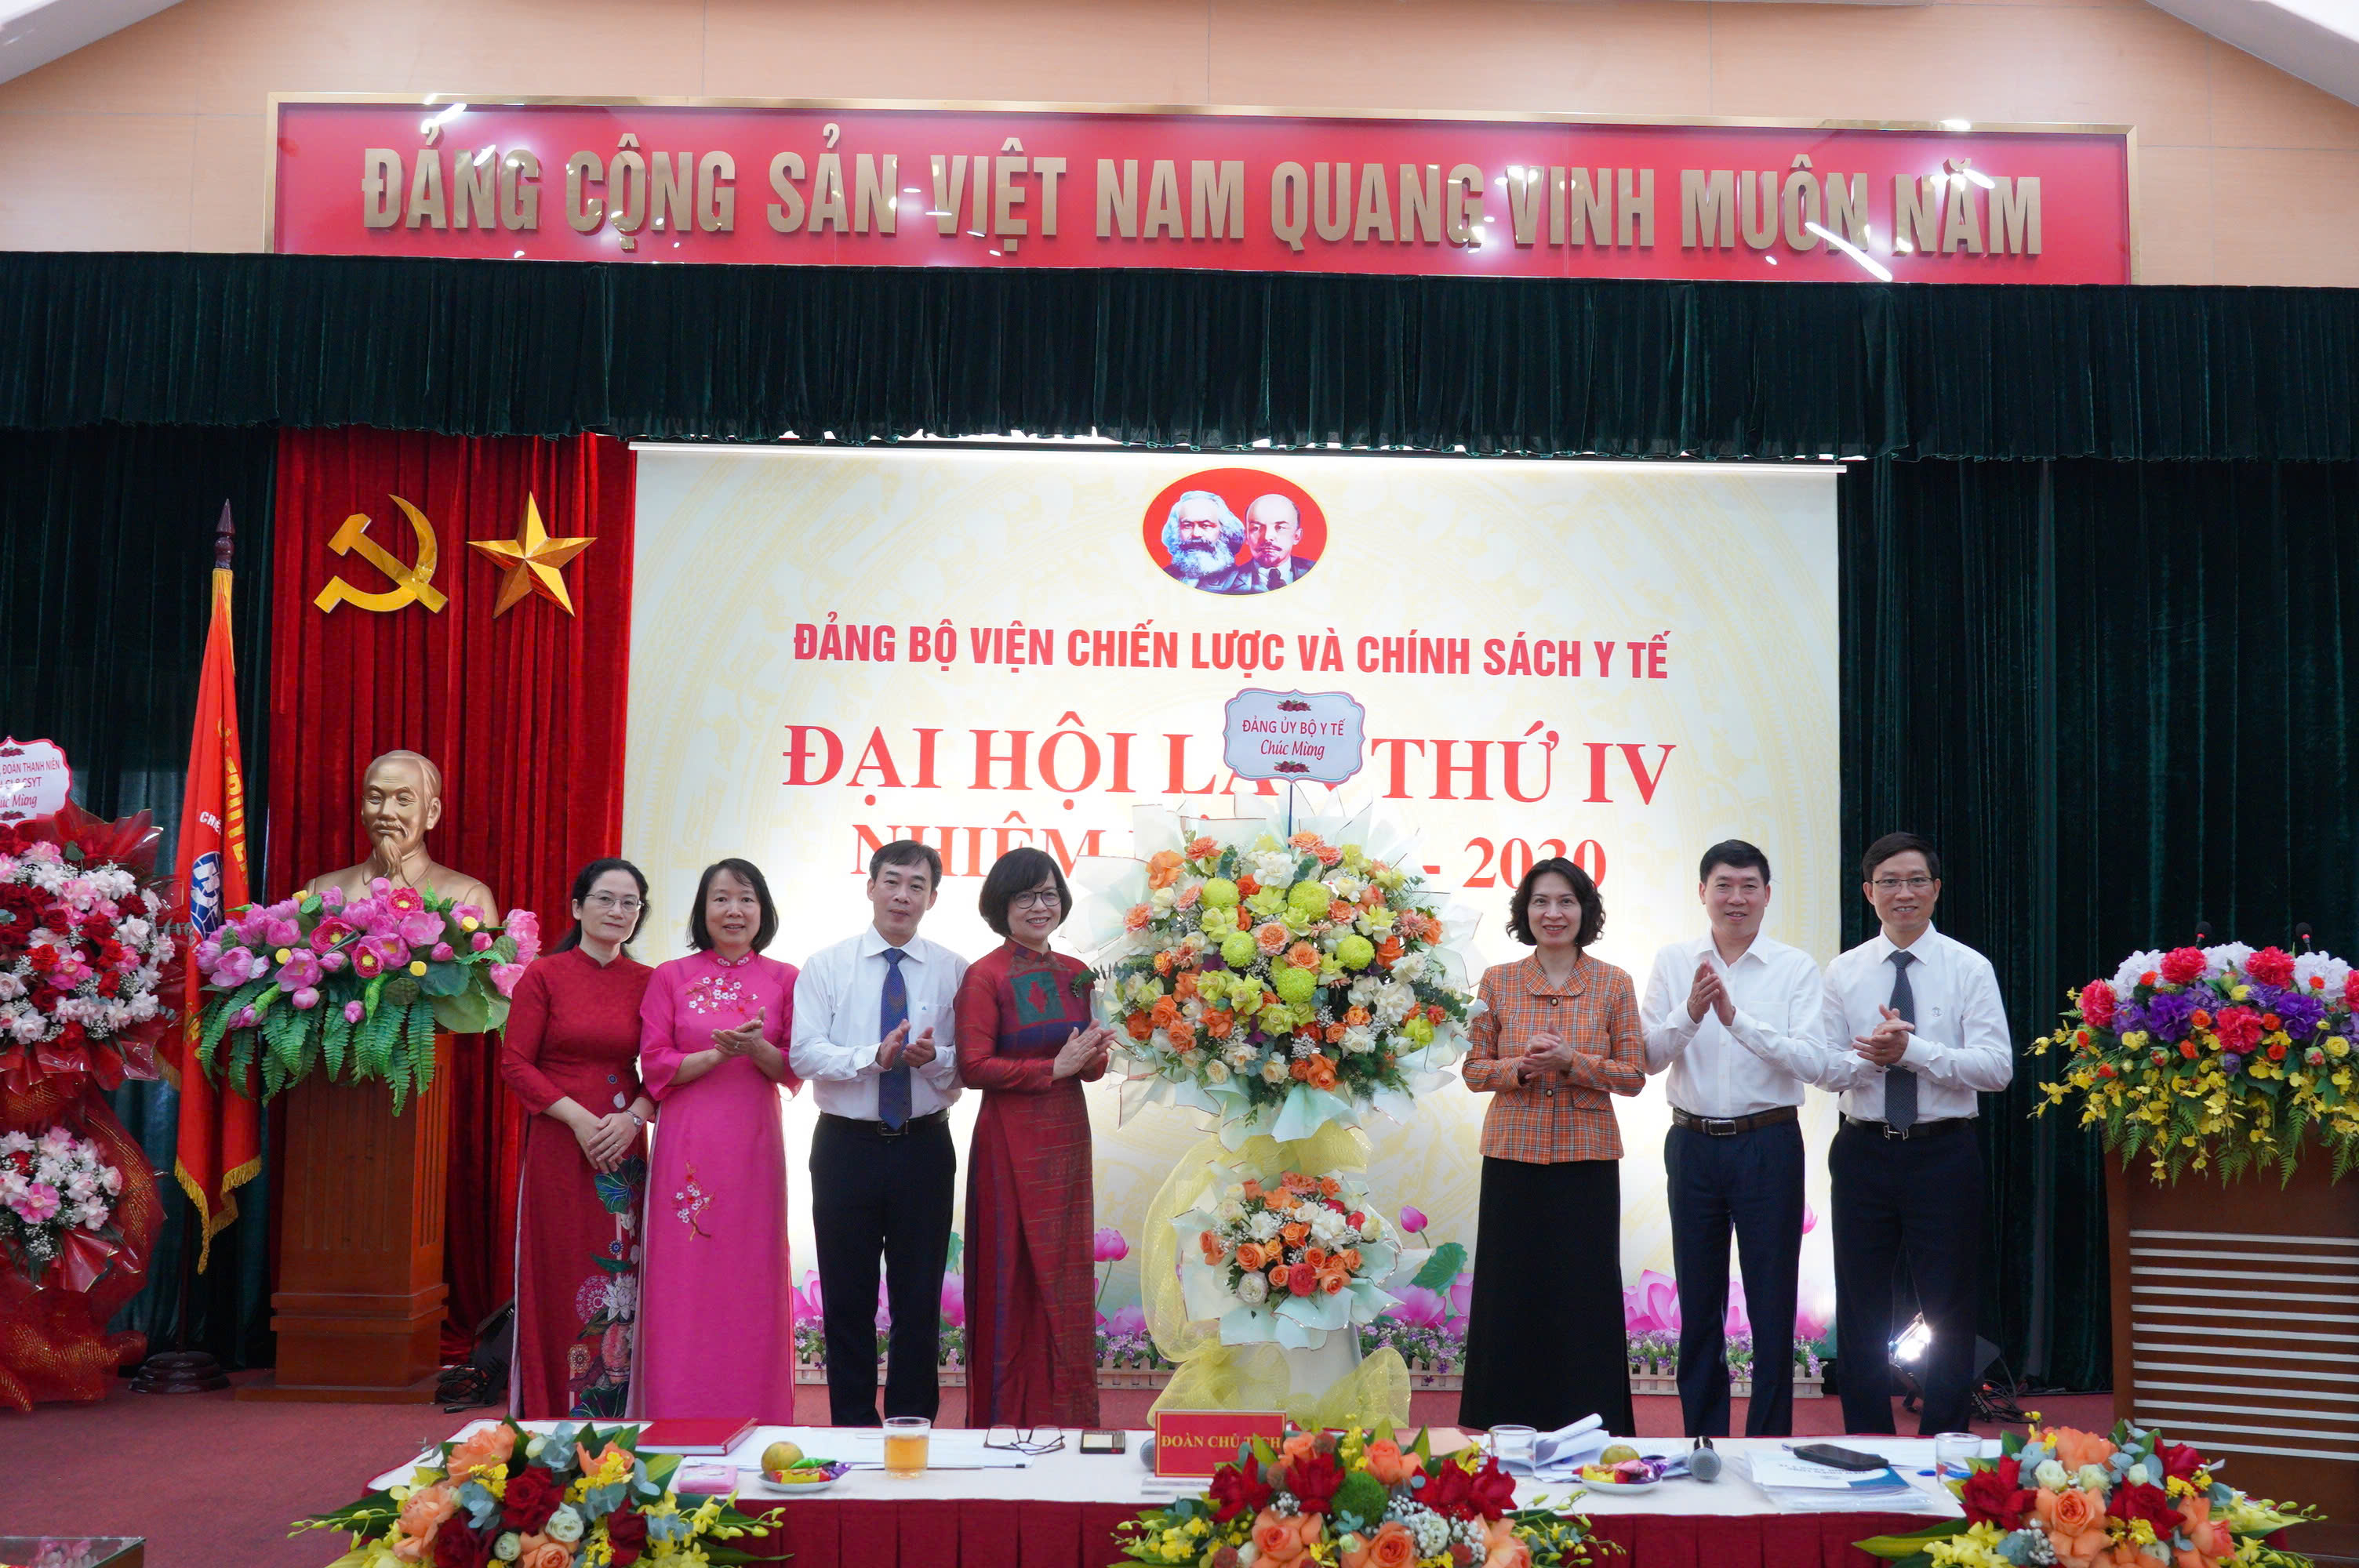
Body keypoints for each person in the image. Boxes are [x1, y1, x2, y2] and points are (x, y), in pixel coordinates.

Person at [1819, 832, 2012, 1436]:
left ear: (1936, 889)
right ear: (1868, 892)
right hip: (1862, 1149)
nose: (1903, 893)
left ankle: (1943, 1442)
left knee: (1949, 1305)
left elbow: (1997, 1069)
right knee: (1860, 1305)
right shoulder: (1844, 971)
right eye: (1889, 882)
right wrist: (1871, 1058)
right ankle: (1866, 1439)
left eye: (1915, 881)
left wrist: (1915, 1051)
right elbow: (1825, 1068)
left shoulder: (1969, 968)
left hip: (1943, 1152)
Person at [1638, 840, 1831, 1439]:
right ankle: (1704, 1439)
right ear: (1703, 892)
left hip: (1768, 1143)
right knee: (1699, 1303)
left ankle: (1768, 1441)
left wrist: (1736, 1021)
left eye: (1749, 886)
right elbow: (1646, 1058)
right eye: (1724, 885)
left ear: (1767, 895)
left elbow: (1812, 1061)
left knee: (1772, 1302)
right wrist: (1691, 1013)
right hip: (1692, 1144)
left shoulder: (1795, 968)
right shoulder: (1675, 961)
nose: (1736, 898)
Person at [1458, 857, 1644, 1435]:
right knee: (1509, 1293)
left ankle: (1591, 1421)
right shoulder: (1497, 981)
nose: (1553, 913)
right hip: (1512, 1158)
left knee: (1584, 1296)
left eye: (1566, 901)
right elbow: (1473, 1070)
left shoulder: (1614, 982)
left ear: (1585, 910)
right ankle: (1504, 1423)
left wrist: (1572, 1062)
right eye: (1541, 901)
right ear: (1525, 911)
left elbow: (1633, 1076)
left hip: (1587, 1163)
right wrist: (1521, 1067)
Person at [787, 840, 968, 1426]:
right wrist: (874, 1057)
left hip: (924, 1146)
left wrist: (933, 1058)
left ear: (933, 898)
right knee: (847, 1297)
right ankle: (852, 1428)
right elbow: (804, 1053)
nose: (902, 895)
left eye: (917, 885)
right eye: (892, 881)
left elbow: (967, 1064)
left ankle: (913, 1426)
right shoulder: (827, 965)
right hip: (846, 1147)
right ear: (870, 887)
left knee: (919, 1298)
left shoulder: (954, 969)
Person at [632, 858, 802, 1419]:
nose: (734, 911)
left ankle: (758, 1412)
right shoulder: (670, 976)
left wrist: (756, 1049)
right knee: (685, 1275)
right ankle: (677, 1411)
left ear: (763, 910)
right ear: (702, 910)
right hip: (688, 1145)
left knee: (750, 1272)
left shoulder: (785, 978)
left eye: (746, 899)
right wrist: (717, 1053)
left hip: (753, 1146)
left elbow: (793, 1068)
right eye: (721, 899)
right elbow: (655, 1065)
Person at [954, 847, 1115, 1428]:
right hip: (1008, 1142)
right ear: (1002, 905)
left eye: (1049, 894)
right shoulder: (985, 975)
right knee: (1010, 1273)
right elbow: (973, 1067)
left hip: (1066, 1136)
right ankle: (1004, 1420)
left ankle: (1068, 1417)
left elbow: (1090, 1068)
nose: (1039, 906)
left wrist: (1094, 1056)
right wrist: (1054, 1067)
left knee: (1065, 1272)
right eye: (1025, 896)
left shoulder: (1078, 972)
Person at [499, 858, 656, 1419]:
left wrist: (634, 1117)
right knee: (560, 1267)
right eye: (605, 899)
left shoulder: (650, 981)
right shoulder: (544, 976)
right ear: (577, 907)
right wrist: (580, 1120)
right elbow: (515, 1064)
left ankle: (616, 1413)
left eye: (630, 903)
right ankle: (552, 1411)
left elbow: (663, 1067)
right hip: (561, 1144)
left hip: (622, 1147)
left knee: (621, 1273)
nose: (618, 911)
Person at [303, 748, 497, 915]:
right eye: (375, 798)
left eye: (403, 800)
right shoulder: (319, 892)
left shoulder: (469, 898)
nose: (386, 812)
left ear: (432, 812)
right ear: (362, 810)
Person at [1206, 493, 1318, 593]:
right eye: (1256, 528)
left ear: (1297, 536)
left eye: (1280, 527)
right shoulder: (1224, 586)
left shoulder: (1320, 572)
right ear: (1246, 536)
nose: (1267, 537)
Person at [1160, 489, 1245, 589]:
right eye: (1187, 525)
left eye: (1205, 525)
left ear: (1224, 531)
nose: (1196, 534)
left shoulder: (1241, 582)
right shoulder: (1163, 576)